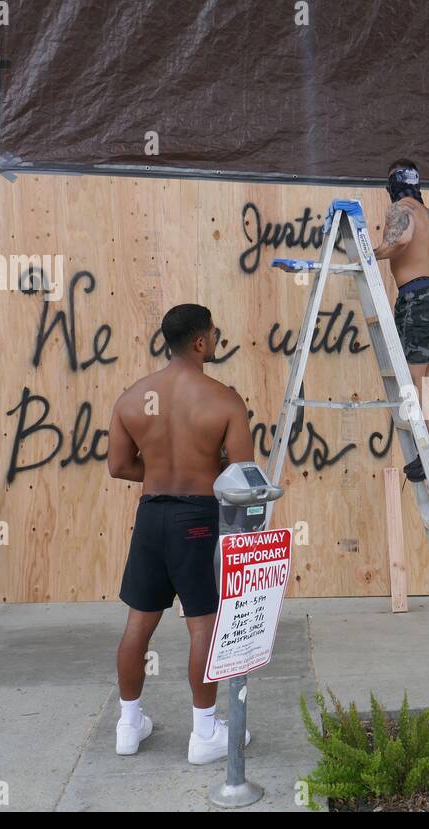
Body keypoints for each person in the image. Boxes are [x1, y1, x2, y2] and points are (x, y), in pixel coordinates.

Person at [106, 303, 255, 764]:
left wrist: (161, 472)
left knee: (137, 624)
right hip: (198, 520)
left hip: (151, 516)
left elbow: (118, 466)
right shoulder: (223, 399)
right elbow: (244, 476)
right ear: (199, 342)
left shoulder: (132, 397)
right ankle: (204, 733)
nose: (216, 339)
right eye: (214, 333)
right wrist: (206, 470)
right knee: (204, 628)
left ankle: (128, 726)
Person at [372, 159, 429, 482]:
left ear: (392, 183)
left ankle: (424, 455)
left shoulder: (402, 209)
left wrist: (371, 254)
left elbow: (400, 239)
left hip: (419, 298)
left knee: (409, 381)